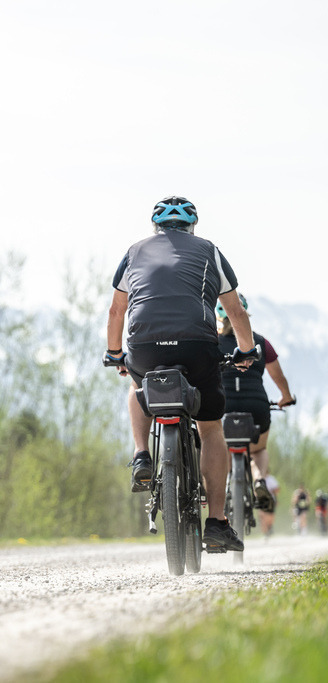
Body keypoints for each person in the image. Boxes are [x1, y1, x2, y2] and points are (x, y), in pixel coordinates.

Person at [105, 196, 259, 553]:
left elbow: (116, 310)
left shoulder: (133, 253)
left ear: (156, 227)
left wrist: (115, 354)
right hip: (196, 344)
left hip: (143, 343)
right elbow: (235, 312)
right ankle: (217, 522)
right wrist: (247, 351)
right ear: (192, 226)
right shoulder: (209, 251)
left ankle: (142, 454)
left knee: (137, 383)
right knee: (209, 427)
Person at [216, 293, 295, 511]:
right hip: (257, 406)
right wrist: (286, 397)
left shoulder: (213, 341)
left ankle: (222, 486)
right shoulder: (260, 342)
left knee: (220, 444)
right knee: (259, 449)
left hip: (224, 405)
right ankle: (259, 479)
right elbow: (278, 377)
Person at [259, 474, 281, 538]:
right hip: (262, 501)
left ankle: (269, 527)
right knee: (262, 516)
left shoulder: (271, 479)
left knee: (270, 516)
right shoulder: (258, 478)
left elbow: (277, 489)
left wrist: (270, 491)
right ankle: (265, 532)